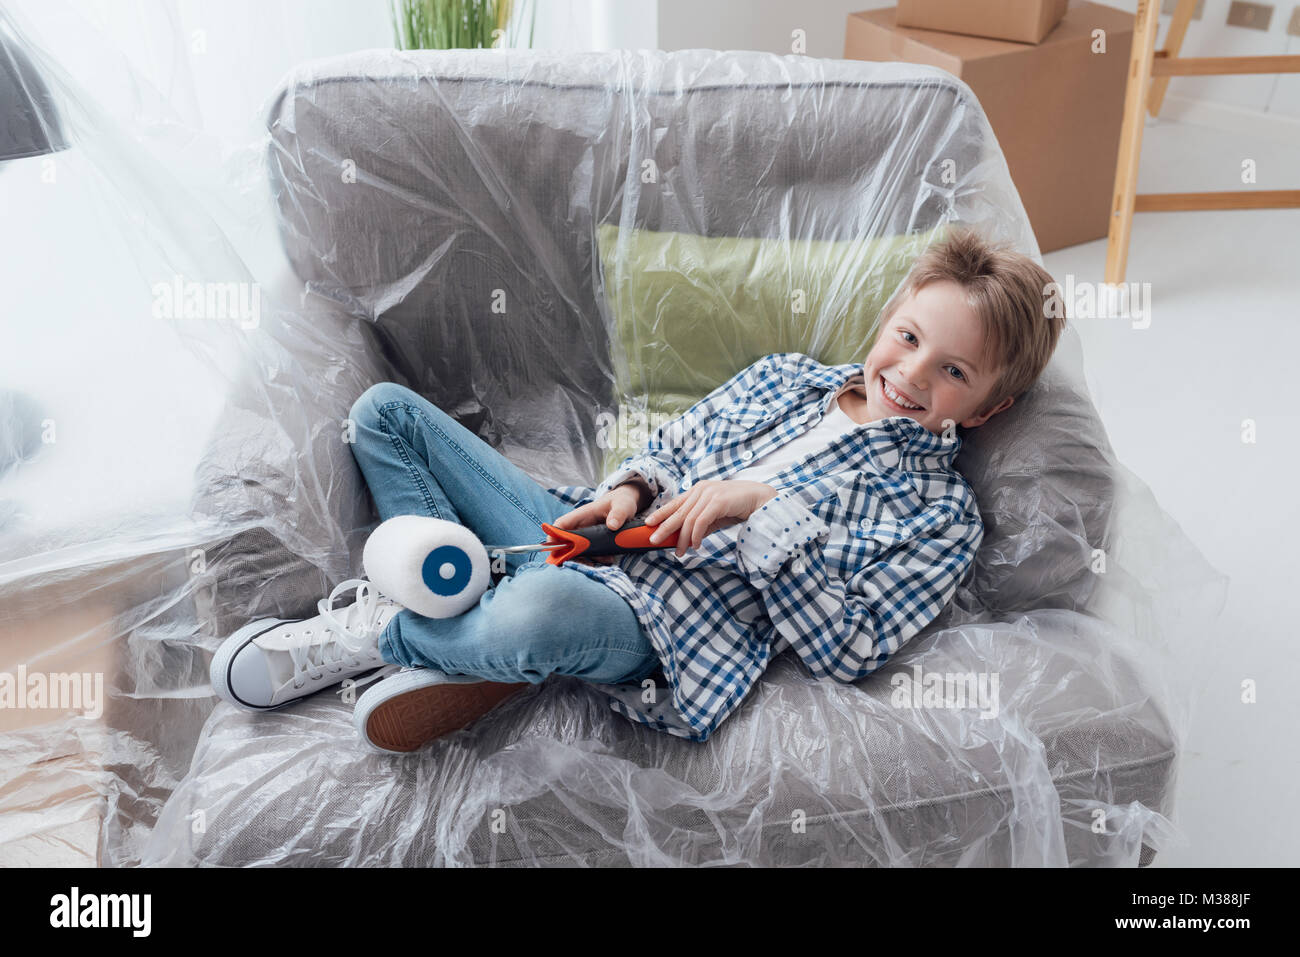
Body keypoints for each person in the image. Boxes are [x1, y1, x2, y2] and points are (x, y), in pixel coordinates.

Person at [209, 226, 1065, 753]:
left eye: (951, 370)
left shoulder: (939, 517)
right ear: (889, 319)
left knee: (543, 612)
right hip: (586, 531)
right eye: (908, 337)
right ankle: (470, 611)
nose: (910, 374)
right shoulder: (785, 377)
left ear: (992, 406)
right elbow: (678, 441)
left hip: (663, 623)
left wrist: (763, 512)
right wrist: (629, 486)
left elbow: (851, 648)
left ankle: (386, 633)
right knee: (384, 415)